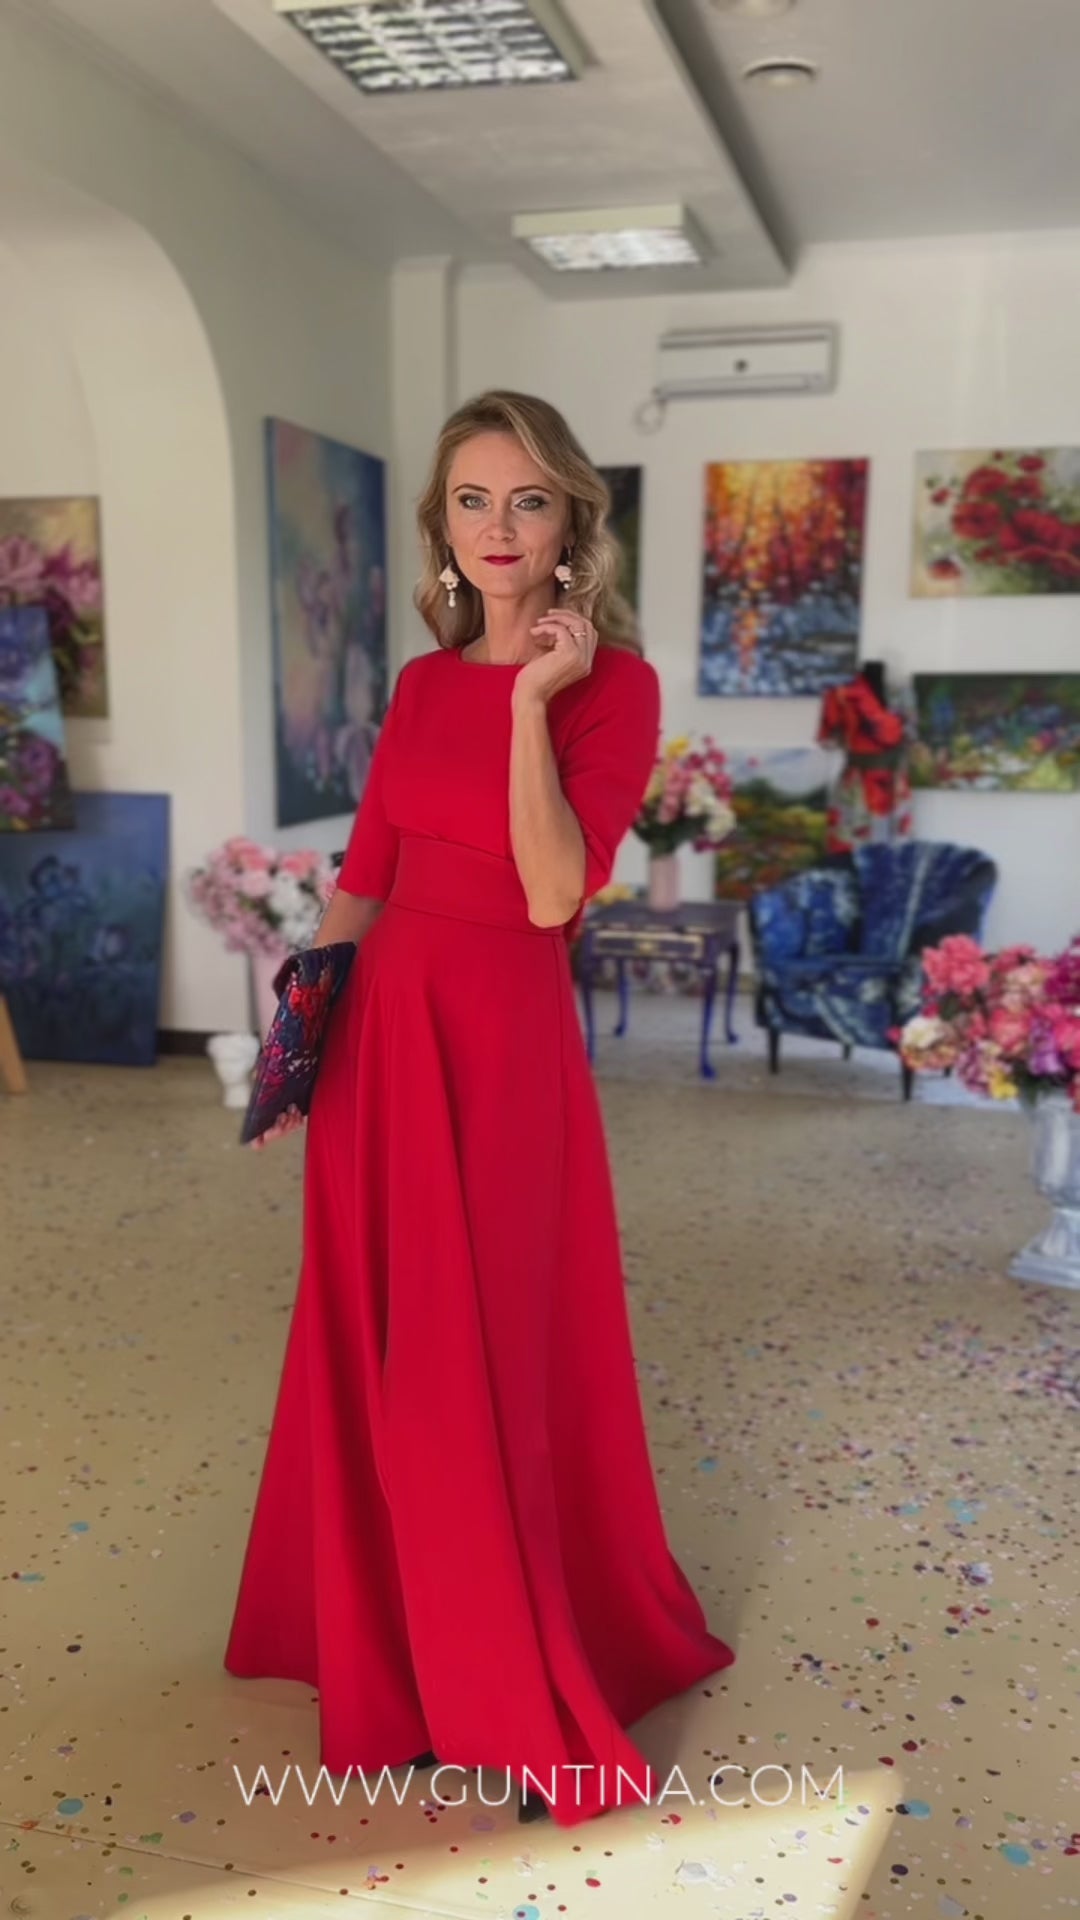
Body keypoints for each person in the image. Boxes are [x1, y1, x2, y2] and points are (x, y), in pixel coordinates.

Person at [224, 390, 735, 1828]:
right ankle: (393, 1666)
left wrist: (526, 704)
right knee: (380, 1342)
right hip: (383, 1041)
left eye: (527, 500)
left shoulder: (613, 688)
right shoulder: (417, 681)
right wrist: (297, 1044)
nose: (498, 528)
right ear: (441, 526)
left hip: (503, 1048)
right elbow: (366, 873)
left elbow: (555, 888)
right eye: (471, 500)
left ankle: (506, 1684)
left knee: (493, 1353)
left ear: (571, 521)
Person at [817, 659, 913, 856]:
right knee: (852, 846)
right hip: (857, 778)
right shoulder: (839, 693)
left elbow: (910, 735)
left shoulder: (903, 692)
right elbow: (828, 739)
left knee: (896, 852)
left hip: (894, 779)